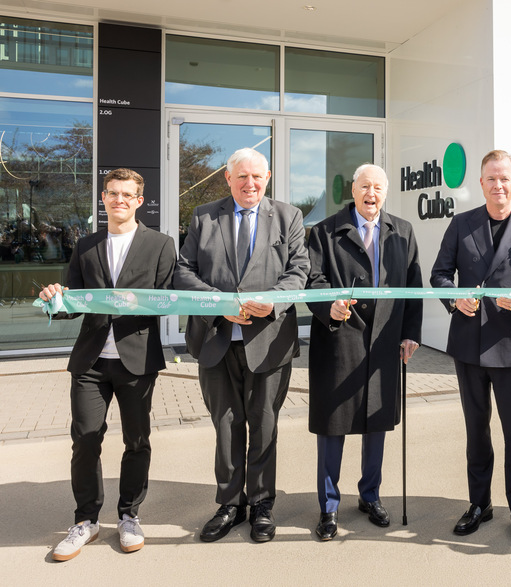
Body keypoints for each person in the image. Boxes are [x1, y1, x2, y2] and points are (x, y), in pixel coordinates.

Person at [173, 148, 309, 543]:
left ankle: (263, 506)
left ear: (267, 178)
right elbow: (184, 271)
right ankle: (230, 504)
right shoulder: (203, 215)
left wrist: (275, 300)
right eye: (242, 177)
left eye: (257, 177)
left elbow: (299, 269)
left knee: (264, 425)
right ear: (228, 179)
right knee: (226, 426)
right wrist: (221, 305)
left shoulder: (288, 216)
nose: (250, 184)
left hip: (268, 341)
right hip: (216, 339)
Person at [39, 168, 176, 561]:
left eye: (127, 194)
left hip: (137, 359)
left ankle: (129, 514)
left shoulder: (162, 245)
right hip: (91, 362)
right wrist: (56, 298)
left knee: (137, 441)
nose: (119, 200)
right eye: (112, 193)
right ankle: (86, 520)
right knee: (85, 438)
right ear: (103, 198)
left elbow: (171, 301)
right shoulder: (85, 245)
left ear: (138, 200)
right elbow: (72, 304)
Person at [430, 149, 511, 549]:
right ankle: (479, 504)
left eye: (504, 178)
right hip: (469, 345)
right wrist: (454, 299)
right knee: (476, 431)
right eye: (490, 179)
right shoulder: (461, 224)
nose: (498, 185)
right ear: (481, 183)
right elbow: (439, 275)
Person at [306, 163, 423, 541]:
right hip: (339, 341)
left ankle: (370, 496)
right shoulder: (324, 231)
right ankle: (328, 506)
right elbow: (313, 280)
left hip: (385, 343)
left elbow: (413, 286)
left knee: (377, 424)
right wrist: (330, 307)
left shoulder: (402, 231)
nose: (371, 194)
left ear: (385, 193)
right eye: (364, 186)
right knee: (333, 426)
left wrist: (410, 334)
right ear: (352, 190)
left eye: (378, 187)